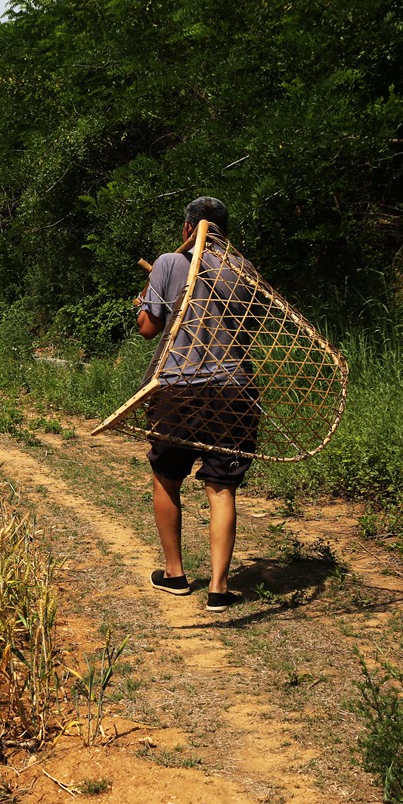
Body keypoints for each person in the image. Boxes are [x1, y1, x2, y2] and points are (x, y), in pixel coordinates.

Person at [135, 196, 260, 612]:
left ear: (188, 229)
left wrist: (143, 303)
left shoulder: (170, 263)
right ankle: (219, 588)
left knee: (167, 476)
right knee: (222, 489)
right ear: (226, 231)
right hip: (233, 388)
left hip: (177, 386)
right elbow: (250, 328)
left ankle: (175, 574)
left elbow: (150, 328)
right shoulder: (245, 271)